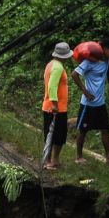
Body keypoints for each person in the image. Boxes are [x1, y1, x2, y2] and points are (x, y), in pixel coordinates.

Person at [72, 46, 109, 165]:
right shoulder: (88, 62)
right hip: (88, 103)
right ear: (104, 50)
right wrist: (85, 91)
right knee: (83, 130)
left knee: (105, 129)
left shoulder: (107, 61)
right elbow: (74, 75)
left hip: (101, 103)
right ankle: (79, 156)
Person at [42, 42, 73, 170]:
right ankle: (49, 161)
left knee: (55, 134)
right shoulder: (58, 67)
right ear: (63, 56)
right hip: (55, 108)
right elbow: (52, 86)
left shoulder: (51, 64)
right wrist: (54, 103)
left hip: (54, 106)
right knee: (55, 135)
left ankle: (54, 160)